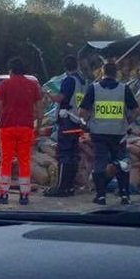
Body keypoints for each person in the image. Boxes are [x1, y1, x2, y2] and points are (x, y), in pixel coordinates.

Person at [78, 62, 139, 206]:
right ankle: (125, 195)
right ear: (116, 73)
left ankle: (101, 196)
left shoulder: (94, 88)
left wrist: (86, 123)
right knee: (122, 163)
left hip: (98, 133)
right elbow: (136, 110)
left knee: (100, 162)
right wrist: (127, 121)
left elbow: (82, 112)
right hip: (118, 133)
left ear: (102, 72)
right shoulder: (124, 89)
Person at [0, 57, 43, 206]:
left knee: (6, 161)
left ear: (11, 70)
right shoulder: (33, 85)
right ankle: (24, 195)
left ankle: (3, 194)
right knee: (24, 161)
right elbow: (40, 110)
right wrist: (38, 127)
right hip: (26, 128)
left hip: (7, 128)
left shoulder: (4, 85)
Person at [44, 55, 86, 197]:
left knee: (64, 155)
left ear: (65, 67)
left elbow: (60, 98)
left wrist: (49, 94)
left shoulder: (69, 80)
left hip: (67, 120)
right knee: (73, 155)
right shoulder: (82, 81)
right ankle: (69, 186)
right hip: (77, 120)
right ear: (77, 65)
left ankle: (61, 187)